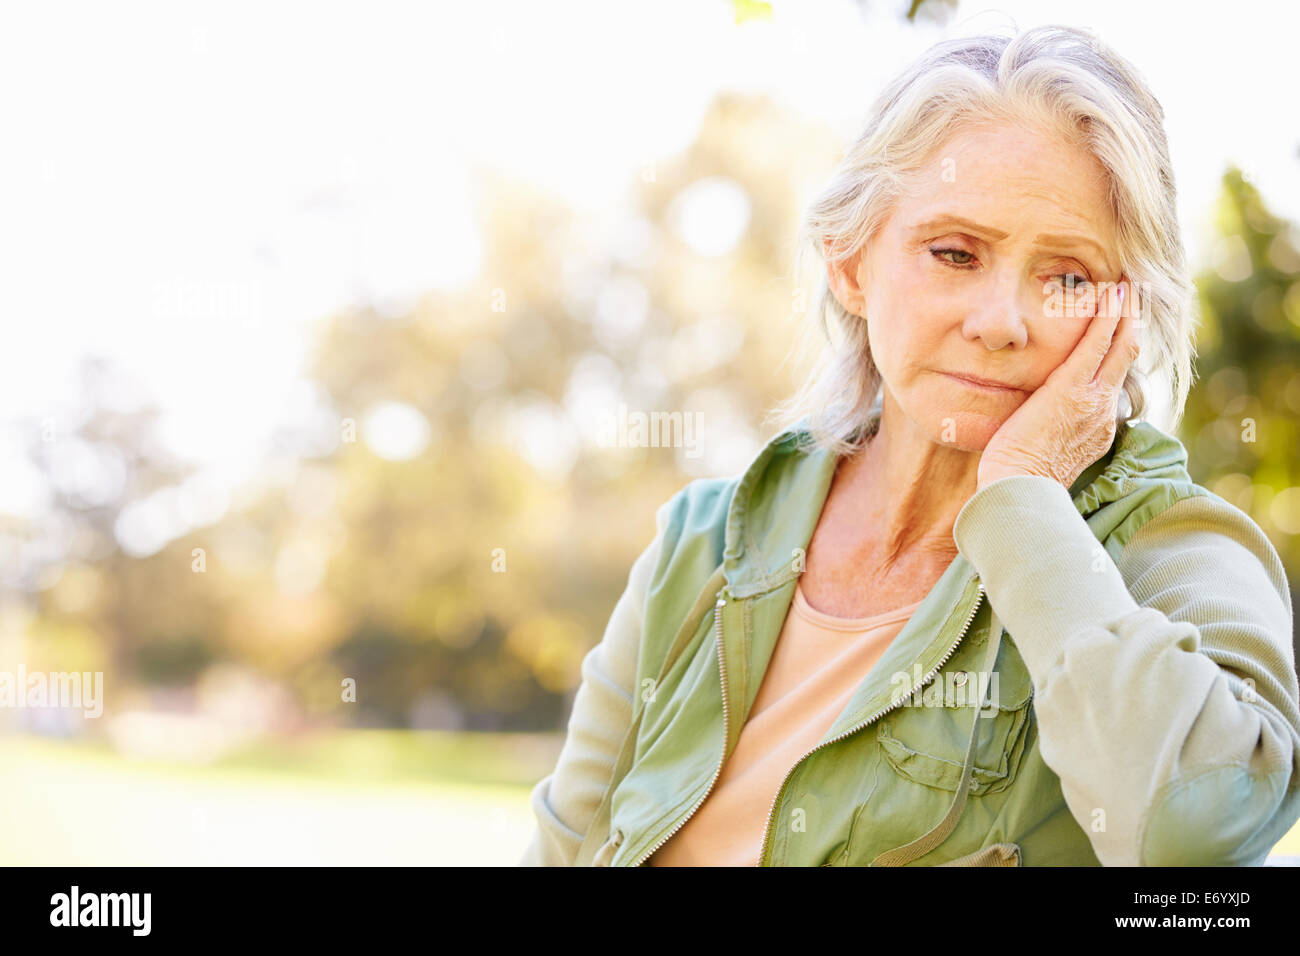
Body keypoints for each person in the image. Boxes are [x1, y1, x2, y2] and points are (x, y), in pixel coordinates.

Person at [519, 23, 1300, 866]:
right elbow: (564, 847)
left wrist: (1025, 498)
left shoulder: (1170, 548)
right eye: (955, 253)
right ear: (850, 263)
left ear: (1128, 310)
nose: (1001, 322)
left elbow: (1198, 836)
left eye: (1068, 276)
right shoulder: (699, 543)